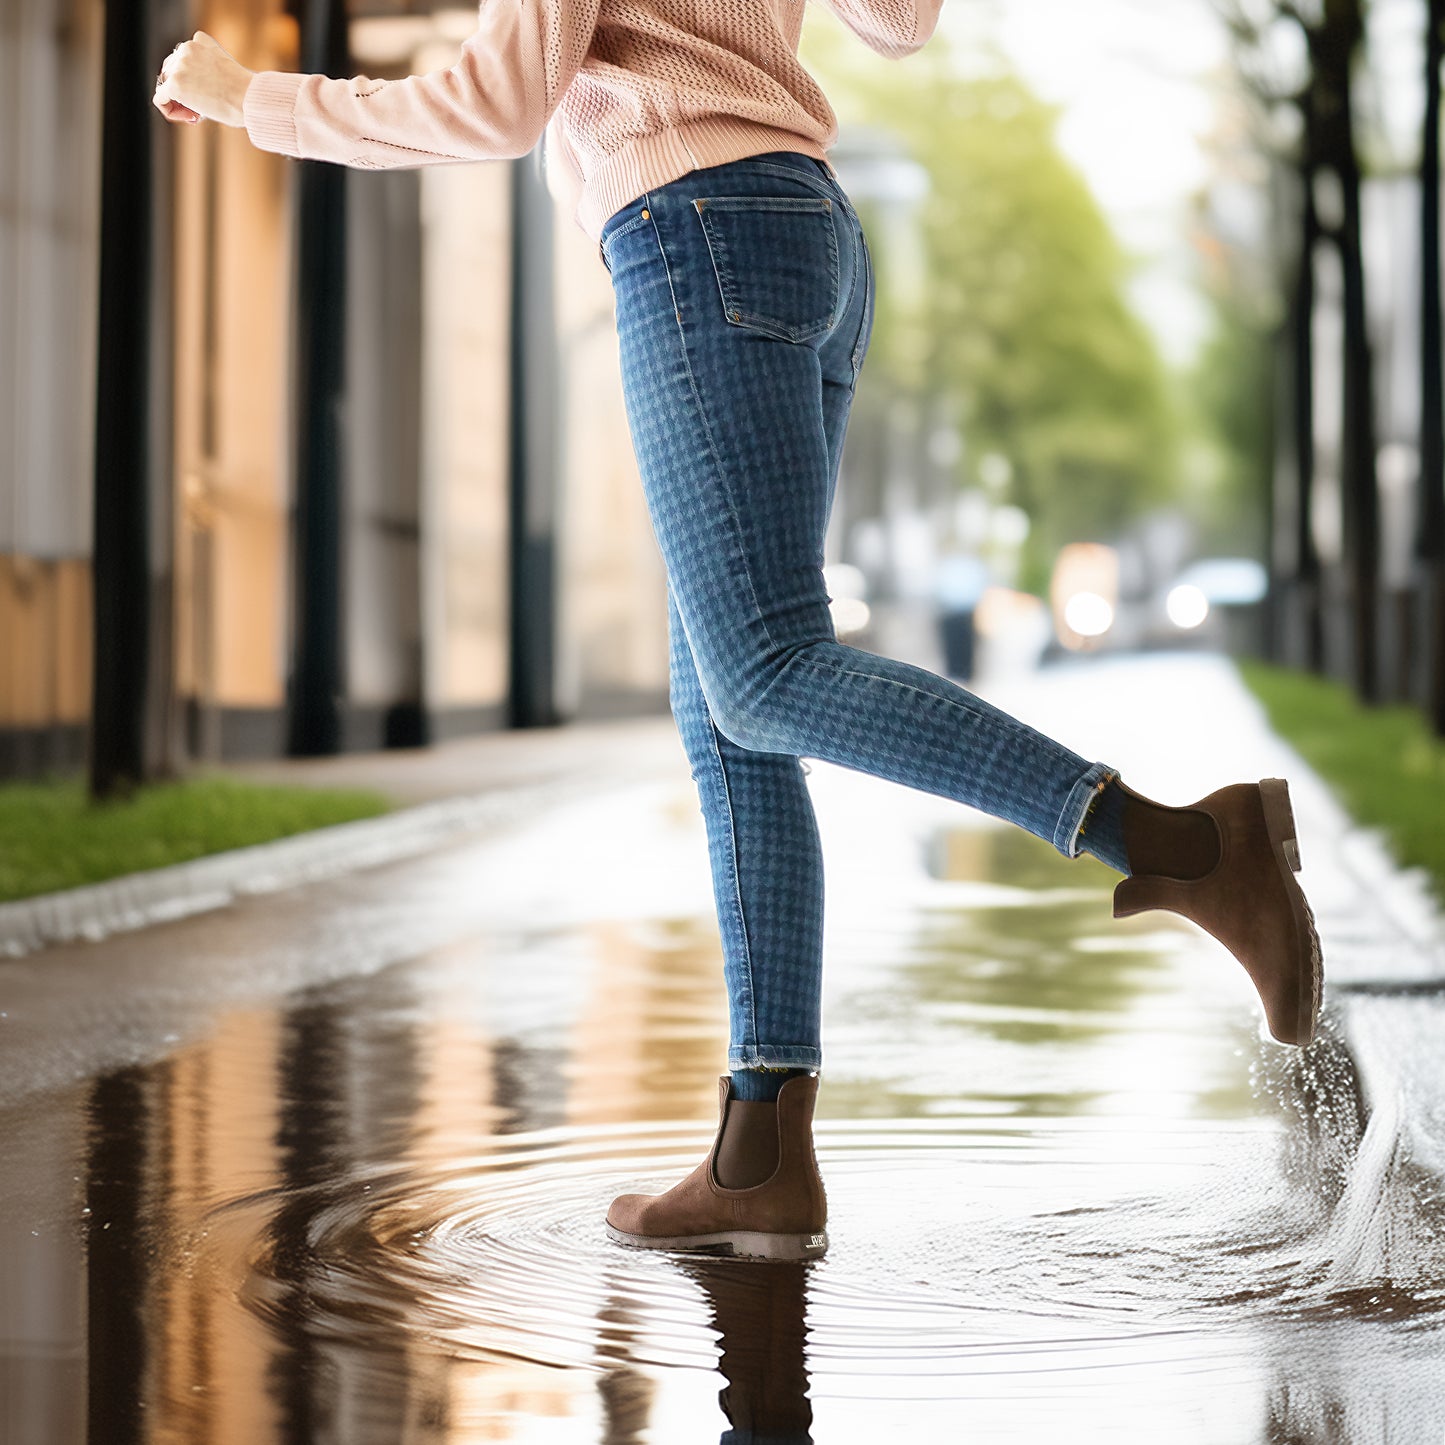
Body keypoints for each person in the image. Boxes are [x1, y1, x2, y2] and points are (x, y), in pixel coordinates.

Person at [154, 2, 1323, 1265]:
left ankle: (1181, 843)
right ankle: (756, 1152)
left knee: (761, 673)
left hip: (692, 226)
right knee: (729, 704)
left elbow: (492, 103)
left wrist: (247, 98)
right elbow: (899, 21)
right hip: (800, 227)